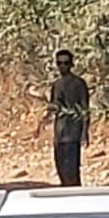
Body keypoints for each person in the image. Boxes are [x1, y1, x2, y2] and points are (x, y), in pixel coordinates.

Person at [37, 49, 90, 186]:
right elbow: (54, 106)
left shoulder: (79, 84)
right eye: (59, 63)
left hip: (73, 133)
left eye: (65, 63)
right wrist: (42, 123)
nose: (62, 66)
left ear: (71, 64)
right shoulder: (57, 84)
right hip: (59, 134)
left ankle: (75, 196)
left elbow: (85, 109)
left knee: (72, 169)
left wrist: (84, 132)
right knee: (60, 167)